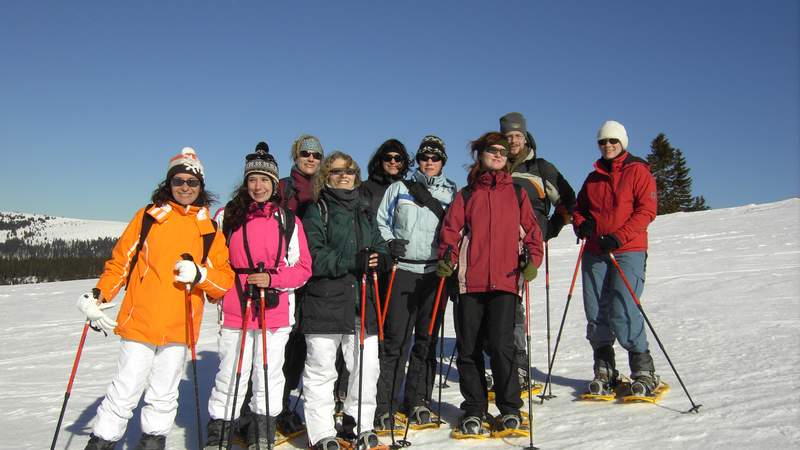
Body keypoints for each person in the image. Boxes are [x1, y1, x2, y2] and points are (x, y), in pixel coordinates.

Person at [78, 147, 234, 450]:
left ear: (201, 187)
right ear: (168, 184)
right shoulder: (148, 217)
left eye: (192, 182)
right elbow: (120, 263)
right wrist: (98, 295)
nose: (185, 188)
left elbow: (224, 283)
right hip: (141, 319)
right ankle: (104, 440)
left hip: (180, 326)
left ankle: (152, 441)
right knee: (126, 386)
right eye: (179, 181)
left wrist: (200, 275)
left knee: (164, 390)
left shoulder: (210, 230)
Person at [205, 142, 312, 449]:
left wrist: (272, 278)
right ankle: (220, 430)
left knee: (268, 373)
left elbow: (303, 268)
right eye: (253, 179)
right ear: (245, 182)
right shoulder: (228, 216)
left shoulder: (288, 220)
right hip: (236, 306)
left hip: (274, 309)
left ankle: (261, 431)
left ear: (274, 183)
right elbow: (214, 260)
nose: (258, 185)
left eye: (264, 180)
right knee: (231, 372)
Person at [437, 132, 543, 436]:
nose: (498, 155)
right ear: (480, 155)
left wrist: (532, 261)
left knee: (501, 347)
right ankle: (474, 409)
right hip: (469, 283)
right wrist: (447, 257)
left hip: (506, 282)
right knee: (468, 349)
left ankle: (510, 409)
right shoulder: (467, 195)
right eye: (491, 150)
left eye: (502, 151)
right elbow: (450, 231)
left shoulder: (518, 194)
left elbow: (533, 234)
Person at [300, 152, 390, 450]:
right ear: (327, 175)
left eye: (349, 171)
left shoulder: (364, 212)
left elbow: (378, 246)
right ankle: (322, 431)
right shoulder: (317, 210)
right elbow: (313, 257)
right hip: (325, 301)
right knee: (322, 369)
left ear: (356, 175)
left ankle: (359, 423)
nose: (344, 175)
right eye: (337, 171)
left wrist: (383, 258)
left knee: (367, 367)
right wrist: (353, 260)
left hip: (360, 301)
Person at [374, 135, 457, 430]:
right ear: (418, 160)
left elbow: (458, 229)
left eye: (435, 158)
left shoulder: (452, 193)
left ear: (442, 161)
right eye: (424, 157)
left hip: (435, 274)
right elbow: (380, 220)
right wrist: (389, 242)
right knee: (396, 339)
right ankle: (384, 403)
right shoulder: (399, 188)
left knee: (426, 339)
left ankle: (417, 400)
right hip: (403, 270)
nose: (429, 162)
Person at [572, 120, 660, 397]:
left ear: (622, 142)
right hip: (595, 251)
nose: (608, 145)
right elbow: (579, 209)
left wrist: (619, 237)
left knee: (623, 308)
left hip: (628, 249)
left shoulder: (638, 172)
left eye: (613, 141)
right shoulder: (593, 177)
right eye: (603, 142)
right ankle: (604, 367)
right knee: (595, 310)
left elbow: (646, 211)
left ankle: (643, 369)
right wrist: (581, 224)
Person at [499, 111, 576, 390]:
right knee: (497, 305)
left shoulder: (542, 169)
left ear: (525, 136)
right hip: (495, 247)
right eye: (508, 137)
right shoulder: (495, 164)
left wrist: (550, 229)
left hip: (525, 248)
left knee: (512, 306)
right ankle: (500, 364)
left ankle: (518, 366)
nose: (513, 142)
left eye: (517, 136)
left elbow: (568, 200)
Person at [273, 134, 324, 436]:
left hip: (313, 277)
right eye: (305, 153)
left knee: (301, 344)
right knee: (281, 342)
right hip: (283, 274)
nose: (311, 159)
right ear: (296, 155)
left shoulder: (323, 189)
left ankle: (284, 405)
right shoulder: (282, 187)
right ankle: (269, 406)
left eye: (316, 155)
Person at [360, 139, 411, 217]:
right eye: (388, 157)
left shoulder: (409, 189)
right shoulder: (365, 187)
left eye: (397, 158)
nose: (393, 162)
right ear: (380, 160)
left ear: (403, 162)